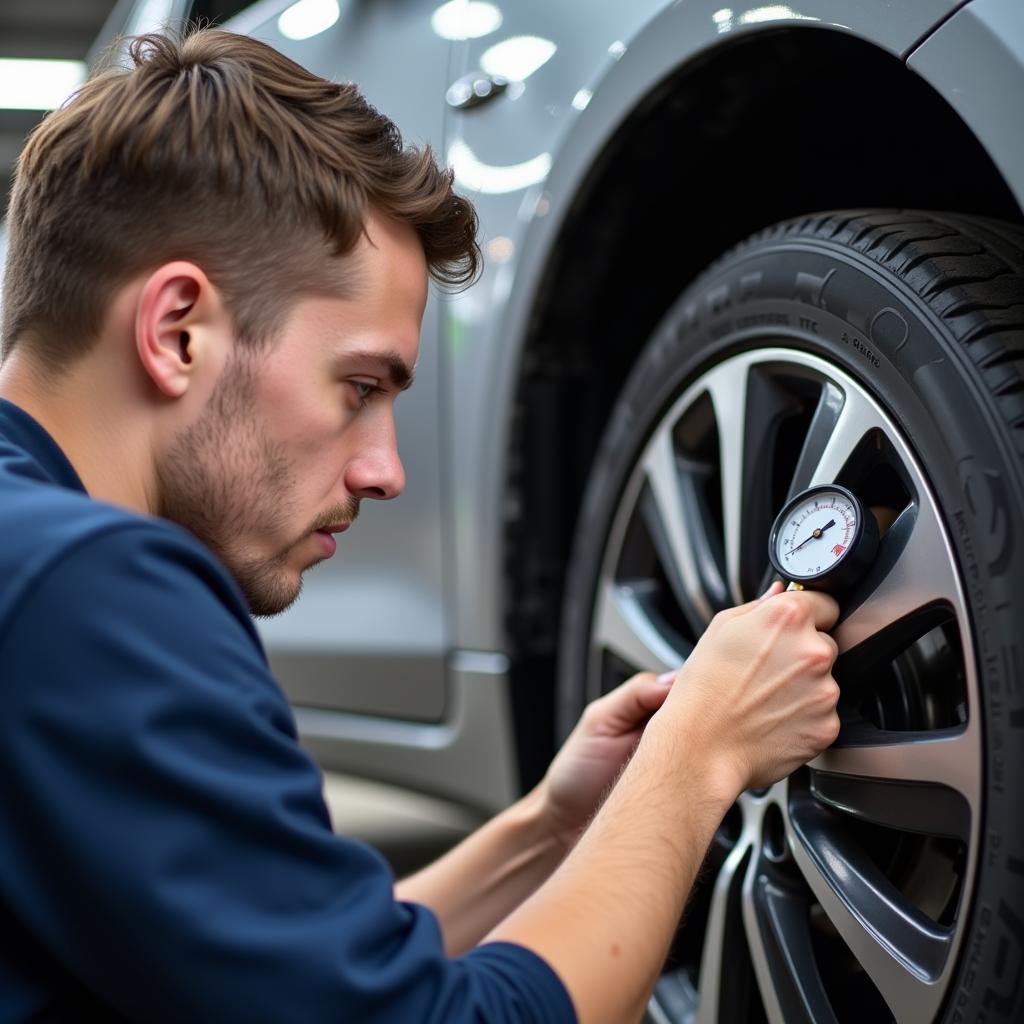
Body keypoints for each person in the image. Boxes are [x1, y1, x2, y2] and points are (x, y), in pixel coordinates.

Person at [0, 28, 840, 1024]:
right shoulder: (93, 586)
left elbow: (295, 975)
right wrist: (698, 756)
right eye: (357, 386)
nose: (386, 469)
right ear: (178, 329)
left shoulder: (33, 558)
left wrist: (553, 825)